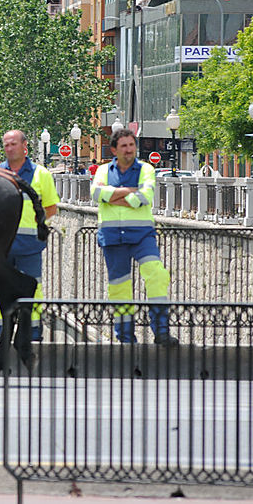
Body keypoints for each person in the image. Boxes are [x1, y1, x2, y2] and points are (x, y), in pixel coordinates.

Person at [92, 128, 178, 345]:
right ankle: (126, 338)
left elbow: (145, 196)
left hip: (142, 235)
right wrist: (130, 192)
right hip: (112, 237)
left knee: (156, 274)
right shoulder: (102, 170)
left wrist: (112, 195)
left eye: (131, 145)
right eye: (124, 146)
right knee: (120, 288)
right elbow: (96, 194)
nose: (129, 150)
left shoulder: (146, 169)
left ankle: (161, 331)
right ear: (114, 149)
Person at [0, 130, 59, 341]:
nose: (9, 148)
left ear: (24, 145)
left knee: (33, 290)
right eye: (6, 145)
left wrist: (35, 226)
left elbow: (51, 208)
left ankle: (33, 334)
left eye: (13, 144)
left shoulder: (41, 174)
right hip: (1, 247)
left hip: (29, 246)